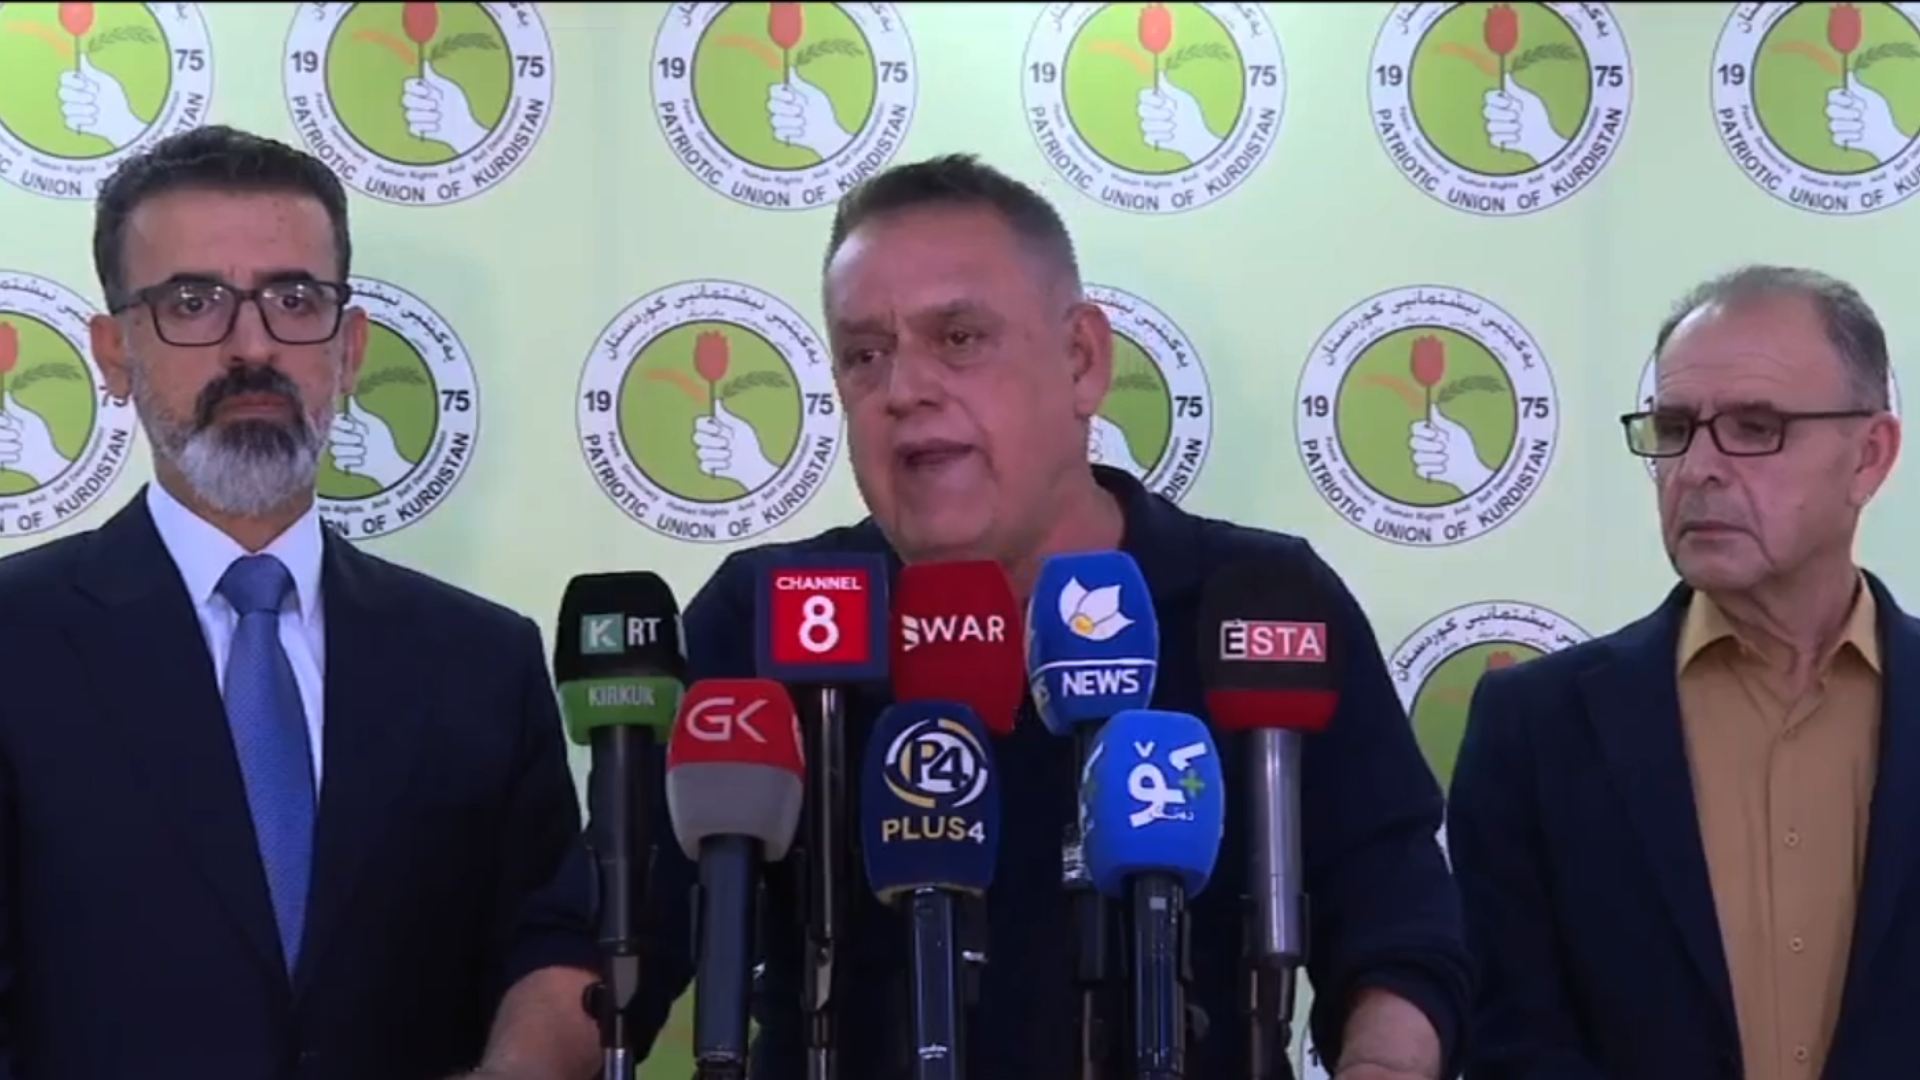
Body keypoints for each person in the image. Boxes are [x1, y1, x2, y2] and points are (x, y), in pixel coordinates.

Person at [633, 154, 1470, 1079]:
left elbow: (1399, 930)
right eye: (866, 355)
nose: (903, 389)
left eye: (959, 338)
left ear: (1081, 362)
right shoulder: (765, 615)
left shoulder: (1262, 600)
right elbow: (616, 940)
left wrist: (1385, 1063)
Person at [0, 125, 600, 1079]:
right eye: (193, 303)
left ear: (349, 350)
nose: (253, 346)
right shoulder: (18, 642)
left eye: (294, 300)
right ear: (114, 354)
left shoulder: (481, 661)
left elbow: (552, 941)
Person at [1448, 266, 1917, 1079]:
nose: (1697, 467)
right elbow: (1515, 1040)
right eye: (1674, 428)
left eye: (1754, 426)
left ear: (1869, 457)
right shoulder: (1536, 727)